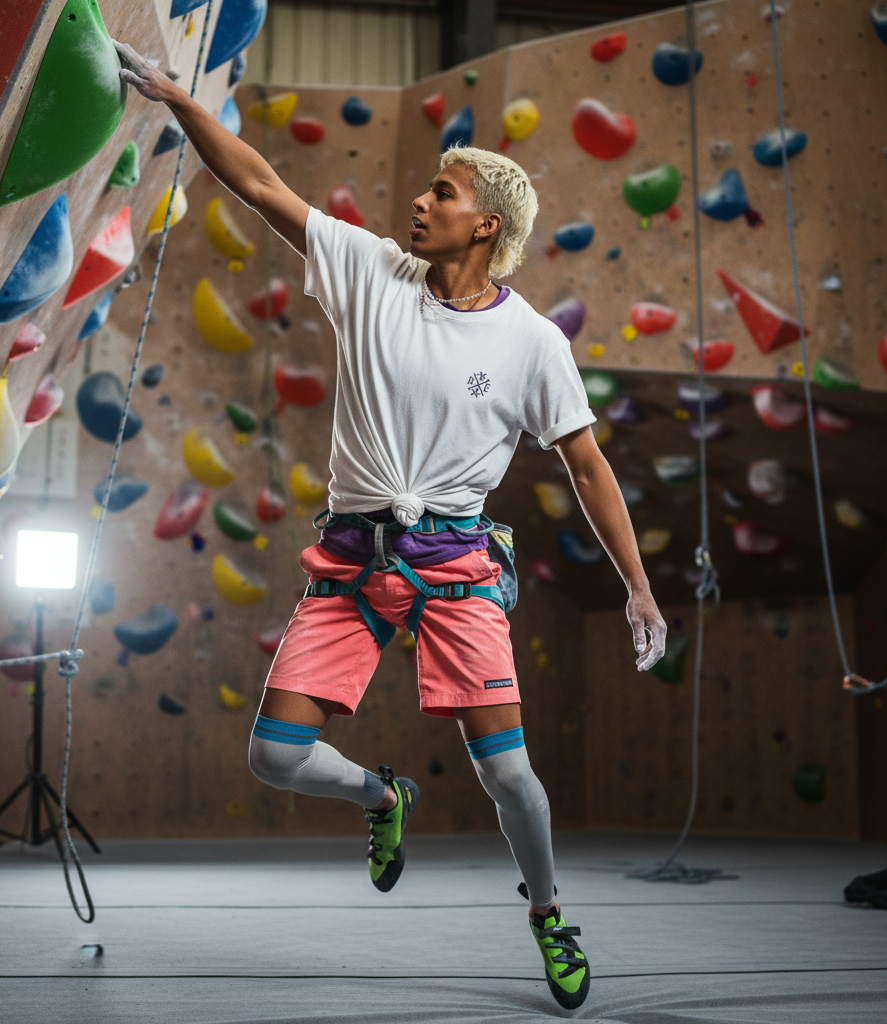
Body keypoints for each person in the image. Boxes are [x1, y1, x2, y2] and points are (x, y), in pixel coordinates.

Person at [116, 42, 668, 1010]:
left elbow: (586, 464)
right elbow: (256, 182)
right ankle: (383, 797)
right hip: (351, 558)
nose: (419, 201)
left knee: (513, 784)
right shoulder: (370, 269)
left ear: (484, 225)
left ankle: (547, 913)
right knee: (275, 757)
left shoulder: (533, 341)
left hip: (454, 566)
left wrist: (638, 583)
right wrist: (173, 100)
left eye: (442, 194)